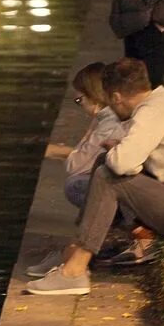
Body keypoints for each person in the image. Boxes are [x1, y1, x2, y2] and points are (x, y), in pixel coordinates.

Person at [25, 57, 164, 295]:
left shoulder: (151, 113)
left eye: (110, 103)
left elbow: (123, 164)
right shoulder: (162, 99)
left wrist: (118, 152)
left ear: (116, 97)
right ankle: (72, 253)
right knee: (105, 163)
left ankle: (74, 270)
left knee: (108, 175)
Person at [28, 62, 128, 278]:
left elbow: (77, 165)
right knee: (88, 181)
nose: (79, 105)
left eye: (79, 100)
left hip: (125, 187)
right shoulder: (109, 118)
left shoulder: (107, 123)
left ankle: (78, 251)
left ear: (93, 96)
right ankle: (76, 246)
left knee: (77, 186)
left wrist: (55, 151)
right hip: (125, 179)